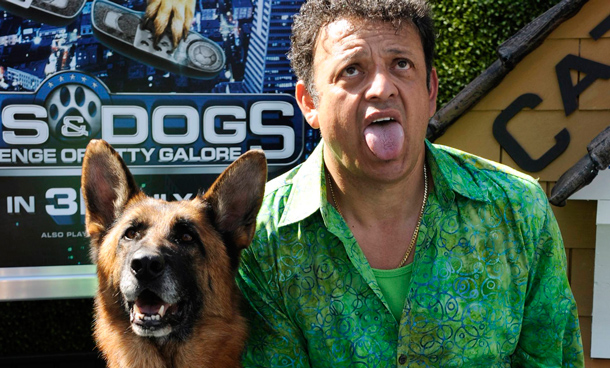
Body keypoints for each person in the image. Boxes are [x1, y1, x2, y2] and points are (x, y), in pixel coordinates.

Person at [236, 0, 584, 366]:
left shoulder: (517, 210)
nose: (382, 88)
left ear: (431, 90)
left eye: (401, 65)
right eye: (352, 70)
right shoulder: (264, 239)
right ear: (310, 103)